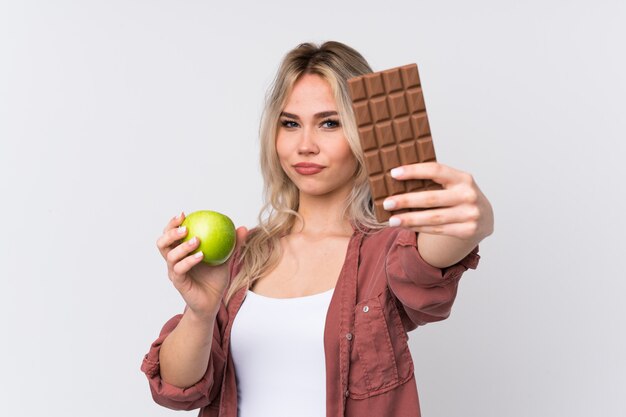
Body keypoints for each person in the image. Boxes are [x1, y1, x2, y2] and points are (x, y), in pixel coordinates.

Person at [141, 41, 494, 417]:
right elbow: (177, 390)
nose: (305, 145)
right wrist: (200, 311)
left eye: (329, 123)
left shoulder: (388, 252)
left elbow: (441, 248)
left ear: (365, 132)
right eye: (290, 123)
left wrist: (477, 220)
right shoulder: (243, 254)